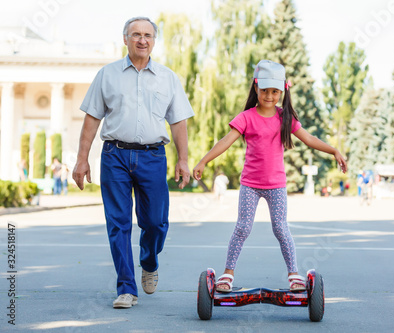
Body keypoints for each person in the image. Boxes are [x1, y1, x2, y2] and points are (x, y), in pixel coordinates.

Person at [193, 60, 347, 292]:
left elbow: (310, 139)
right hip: (250, 185)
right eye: (264, 90)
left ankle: (294, 275)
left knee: (281, 229)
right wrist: (204, 160)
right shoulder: (246, 117)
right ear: (256, 88)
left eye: (275, 91)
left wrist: (334, 150)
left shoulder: (285, 117)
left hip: (276, 186)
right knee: (243, 227)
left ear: (282, 91)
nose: (269, 96)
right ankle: (228, 274)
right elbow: (225, 141)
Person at [72, 17, 194, 309]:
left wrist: (184, 159)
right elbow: (92, 118)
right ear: (125, 39)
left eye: (148, 35)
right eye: (136, 35)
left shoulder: (167, 77)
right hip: (114, 155)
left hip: (152, 156)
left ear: (154, 40)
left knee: (155, 222)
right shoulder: (107, 74)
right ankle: (126, 287)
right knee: (118, 223)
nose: (142, 40)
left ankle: (149, 261)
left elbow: (178, 121)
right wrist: (81, 158)